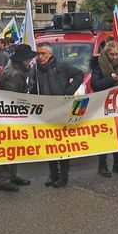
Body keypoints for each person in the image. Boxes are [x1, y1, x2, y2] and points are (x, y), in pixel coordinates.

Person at [30, 42, 84, 188]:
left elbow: (80, 74)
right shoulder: (35, 69)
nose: (40, 57)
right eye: (38, 54)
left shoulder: (62, 66)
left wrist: (69, 91)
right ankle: (53, 174)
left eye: (43, 54)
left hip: (62, 109)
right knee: (49, 144)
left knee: (62, 144)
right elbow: (34, 88)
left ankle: (63, 176)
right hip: (46, 111)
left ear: (50, 55)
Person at [0, 44, 35, 191]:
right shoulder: (14, 73)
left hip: (13, 115)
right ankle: (4, 180)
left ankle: (12, 175)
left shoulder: (17, 70)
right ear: (24, 59)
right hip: (9, 116)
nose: (31, 60)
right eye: (29, 57)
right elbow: (11, 98)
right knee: (7, 147)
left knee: (13, 147)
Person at [90, 41, 118, 177]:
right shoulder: (98, 64)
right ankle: (102, 165)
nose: (114, 57)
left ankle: (117, 164)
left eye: (116, 54)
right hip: (104, 105)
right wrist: (111, 79)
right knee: (105, 135)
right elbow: (95, 84)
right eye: (111, 55)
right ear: (106, 54)